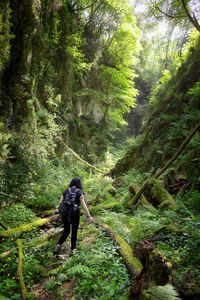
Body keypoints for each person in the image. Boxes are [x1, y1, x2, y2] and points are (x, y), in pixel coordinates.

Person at [54, 177, 94, 256]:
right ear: (79, 184)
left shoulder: (66, 190)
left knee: (66, 231)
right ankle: (73, 251)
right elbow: (83, 205)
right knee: (74, 232)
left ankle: (58, 246)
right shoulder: (80, 192)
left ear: (71, 183)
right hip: (75, 214)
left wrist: (59, 211)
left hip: (65, 213)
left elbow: (60, 203)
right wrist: (89, 216)